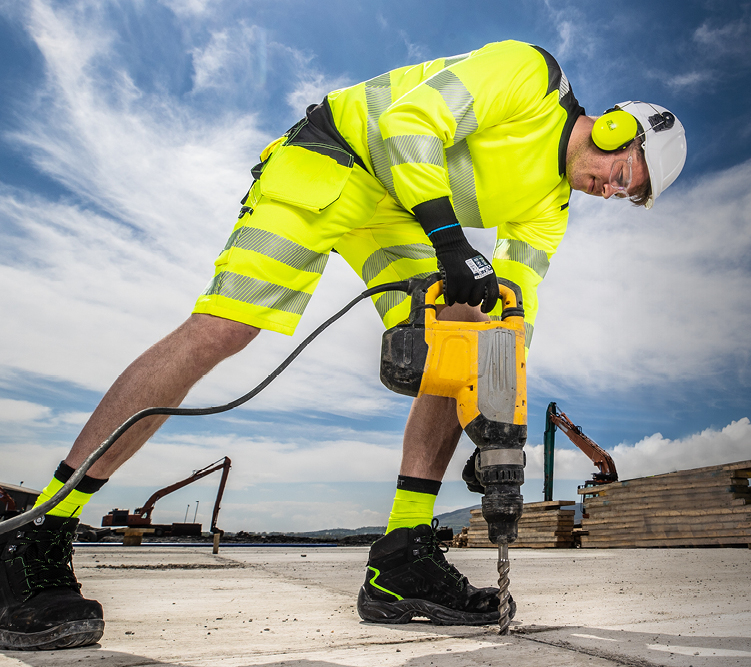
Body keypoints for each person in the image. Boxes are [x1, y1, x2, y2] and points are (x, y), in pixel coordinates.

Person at [0, 39, 686, 649]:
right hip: (333, 157)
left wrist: (498, 422)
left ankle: (402, 557)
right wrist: (449, 242)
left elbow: (514, 313)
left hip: (396, 210)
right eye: (627, 177)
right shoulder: (529, 75)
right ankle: (41, 529)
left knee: (468, 333)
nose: (612, 193)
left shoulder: (551, 206)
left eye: (628, 197)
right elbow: (406, 123)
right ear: (622, 129)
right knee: (223, 328)